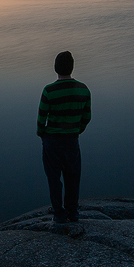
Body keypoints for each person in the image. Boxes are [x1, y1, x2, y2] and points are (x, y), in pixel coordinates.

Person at [37, 51, 91, 223]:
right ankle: (73, 213)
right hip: (71, 140)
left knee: (54, 179)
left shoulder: (49, 90)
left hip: (51, 141)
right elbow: (87, 117)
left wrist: (41, 133)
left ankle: (59, 215)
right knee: (72, 177)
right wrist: (76, 130)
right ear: (72, 67)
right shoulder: (84, 90)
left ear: (55, 68)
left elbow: (41, 117)